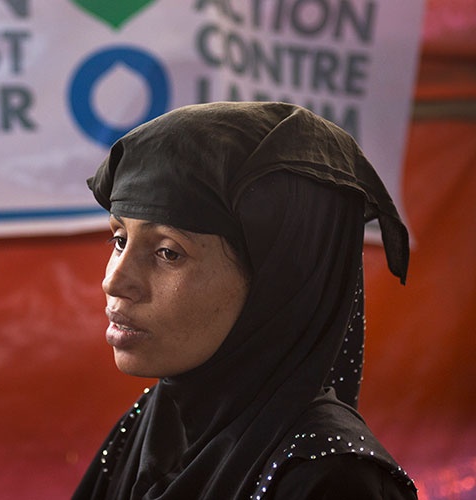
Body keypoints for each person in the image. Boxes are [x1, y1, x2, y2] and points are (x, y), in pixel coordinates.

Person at [72, 102, 418, 500]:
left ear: (277, 284)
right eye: (119, 240)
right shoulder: (155, 423)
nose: (114, 282)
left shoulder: (331, 482)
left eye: (168, 252)